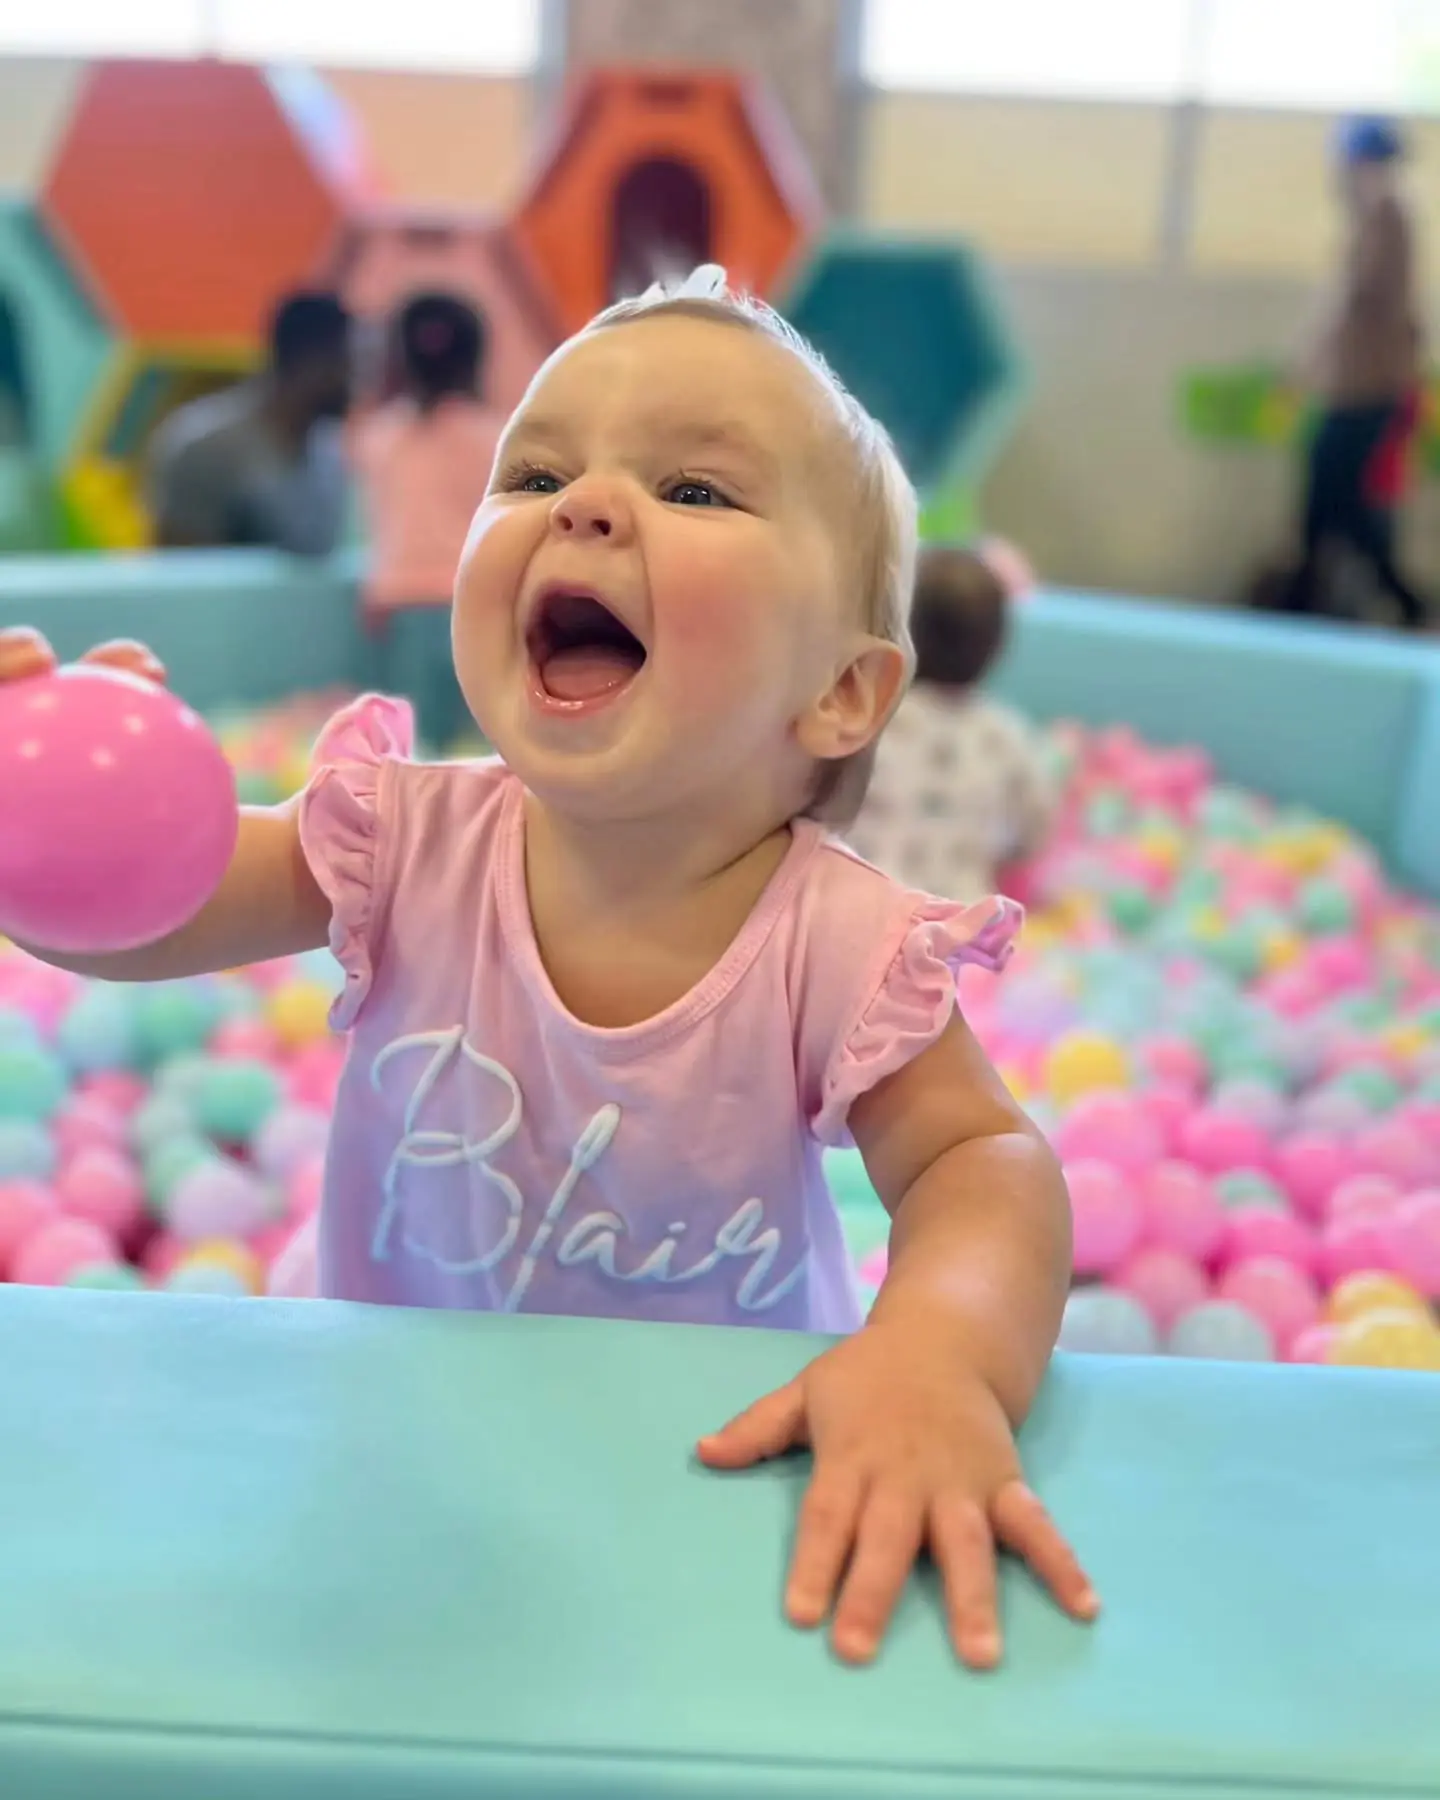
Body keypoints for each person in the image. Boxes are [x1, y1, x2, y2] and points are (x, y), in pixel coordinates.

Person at [0, 266, 1096, 1670]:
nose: (584, 504)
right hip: (396, 1428)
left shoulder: (833, 944)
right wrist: (49, 841)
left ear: (840, 691)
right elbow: (160, 915)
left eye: (696, 491)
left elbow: (980, 1164)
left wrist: (939, 1356)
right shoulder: (403, 834)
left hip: (714, 1455)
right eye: (534, 472)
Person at [1282, 115, 1429, 627]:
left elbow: (1368, 304)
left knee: (1345, 511)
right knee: (1335, 511)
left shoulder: (1389, 214)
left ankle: (1402, 606)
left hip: (1371, 395)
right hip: (1351, 392)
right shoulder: (1371, 218)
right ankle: (1317, 600)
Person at [847, 542, 1055, 900]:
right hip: (959, 921)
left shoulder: (866, 718)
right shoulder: (1006, 735)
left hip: (864, 906)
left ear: (894, 633)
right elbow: (1033, 831)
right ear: (997, 648)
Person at [349, 292, 504, 751]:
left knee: (413, 750)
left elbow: (377, 530)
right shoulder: (495, 437)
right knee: (481, 750)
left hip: (400, 607)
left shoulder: (377, 437)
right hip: (474, 604)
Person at [148, 291, 353, 556]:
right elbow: (182, 579)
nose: (359, 381)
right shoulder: (207, 448)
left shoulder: (328, 452)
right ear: (312, 361)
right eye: (350, 363)